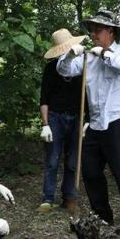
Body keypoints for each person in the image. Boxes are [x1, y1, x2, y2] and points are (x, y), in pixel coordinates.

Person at [57, 9, 120, 239]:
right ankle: (102, 216)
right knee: (90, 171)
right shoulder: (87, 56)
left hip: (117, 120)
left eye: (98, 30)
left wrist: (103, 53)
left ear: (111, 32)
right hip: (95, 123)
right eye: (92, 30)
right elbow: (64, 70)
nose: (93, 34)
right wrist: (70, 55)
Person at [39, 29, 86, 214]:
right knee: (52, 158)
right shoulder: (51, 69)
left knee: (73, 160)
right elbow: (44, 99)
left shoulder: (83, 65)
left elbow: (89, 96)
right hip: (55, 117)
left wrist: (87, 121)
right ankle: (48, 198)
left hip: (77, 117)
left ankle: (69, 197)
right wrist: (45, 124)